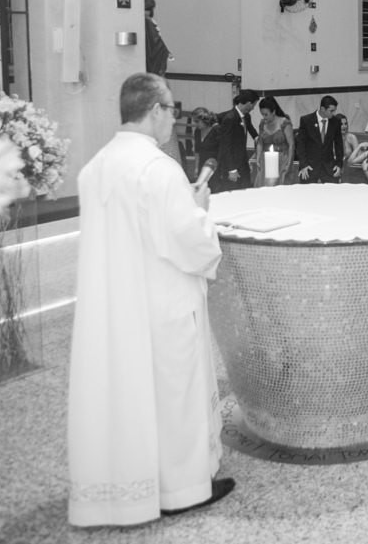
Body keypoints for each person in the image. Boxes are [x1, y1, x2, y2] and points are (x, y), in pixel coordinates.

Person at [68, 73, 234, 527]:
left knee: (128, 399)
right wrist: (201, 210)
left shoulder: (96, 166)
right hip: (161, 305)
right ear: (156, 110)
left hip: (114, 308)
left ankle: (129, 489)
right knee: (173, 397)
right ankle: (182, 490)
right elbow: (187, 241)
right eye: (172, 109)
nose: (174, 119)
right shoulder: (157, 169)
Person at [216, 89, 259, 191]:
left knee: (245, 190)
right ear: (248, 103)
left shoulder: (246, 116)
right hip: (232, 165)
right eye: (254, 105)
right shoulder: (230, 119)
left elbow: (253, 132)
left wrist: (259, 140)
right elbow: (226, 146)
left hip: (242, 163)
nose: (253, 108)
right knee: (233, 191)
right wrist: (232, 169)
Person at [297, 95, 344, 183]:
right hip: (309, 167)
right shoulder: (306, 120)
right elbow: (301, 144)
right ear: (322, 109)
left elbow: (339, 144)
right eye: (331, 111)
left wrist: (339, 164)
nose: (333, 113)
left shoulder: (336, 122)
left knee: (333, 191)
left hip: (329, 167)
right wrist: (303, 164)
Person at [253, 96, 296, 186]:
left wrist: (289, 163)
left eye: (266, 114)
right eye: (262, 114)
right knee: (264, 186)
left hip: (282, 159)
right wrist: (257, 159)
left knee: (280, 185)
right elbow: (260, 142)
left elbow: (291, 144)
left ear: (273, 111)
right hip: (266, 160)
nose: (264, 117)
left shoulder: (285, 123)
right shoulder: (262, 124)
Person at [190, 108, 221, 191]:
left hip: (215, 167)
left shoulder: (217, 129)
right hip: (202, 165)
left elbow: (222, 151)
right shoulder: (197, 131)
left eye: (197, 121)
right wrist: (196, 168)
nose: (196, 124)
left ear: (205, 119)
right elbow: (197, 150)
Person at [143, 0, 171, 77]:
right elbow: (156, 40)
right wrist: (165, 51)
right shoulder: (148, 21)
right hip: (151, 61)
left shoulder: (144, 20)